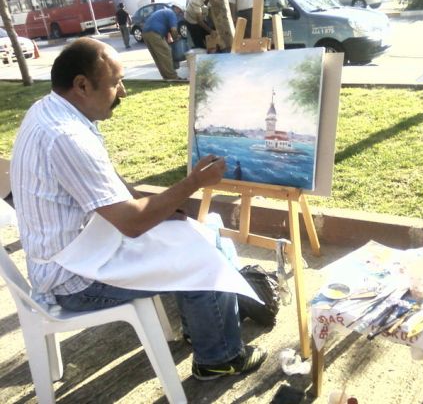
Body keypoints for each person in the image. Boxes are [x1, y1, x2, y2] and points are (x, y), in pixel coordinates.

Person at [10, 38, 267, 380]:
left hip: (79, 250)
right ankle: (219, 357)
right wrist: (194, 182)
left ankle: (205, 329)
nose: (124, 91)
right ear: (82, 86)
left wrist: (163, 209)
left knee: (198, 232)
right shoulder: (66, 136)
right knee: (202, 253)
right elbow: (132, 223)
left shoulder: (51, 110)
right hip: (74, 281)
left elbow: (107, 183)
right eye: (116, 82)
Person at [142, 7, 183, 80]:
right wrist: (176, 38)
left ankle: (166, 77)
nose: (179, 14)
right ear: (177, 9)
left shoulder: (164, 12)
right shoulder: (172, 13)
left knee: (158, 57)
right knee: (166, 53)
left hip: (145, 33)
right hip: (154, 33)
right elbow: (174, 30)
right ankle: (173, 77)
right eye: (180, 12)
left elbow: (166, 30)